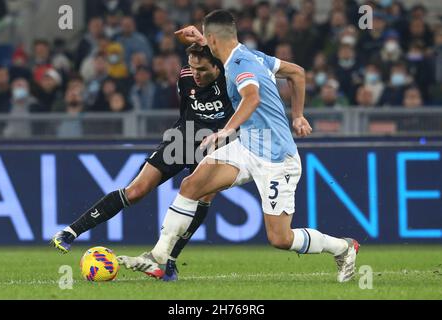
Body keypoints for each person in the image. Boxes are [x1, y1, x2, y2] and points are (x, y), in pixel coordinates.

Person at [126, 10, 359, 282]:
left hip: (276, 157)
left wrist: (226, 130)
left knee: (281, 238)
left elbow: (251, 98)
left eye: (207, 40)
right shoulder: (250, 55)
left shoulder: (239, 64)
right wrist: (298, 115)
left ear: (213, 39)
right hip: (246, 146)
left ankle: (343, 247)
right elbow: (297, 72)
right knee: (192, 185)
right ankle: (158, 257)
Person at [51, 44, 235, 273]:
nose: (196, 74)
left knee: (203, 197)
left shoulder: (233, 80)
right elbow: (186, 110)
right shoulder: (186, 77)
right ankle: (70, 232)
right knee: (136, 190)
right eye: (192, 67)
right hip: (182, 139)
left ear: (218, 67)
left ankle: (170, 261)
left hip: (216, 144)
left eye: (203, 69)